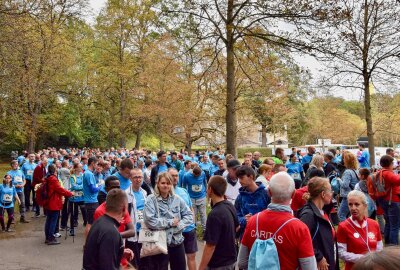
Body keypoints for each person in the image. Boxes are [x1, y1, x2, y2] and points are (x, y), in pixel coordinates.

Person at [237, 172, 317, 270]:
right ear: (293, 194)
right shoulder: (299, 228)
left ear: (269, 192)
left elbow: (241, 263)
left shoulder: (253, 220)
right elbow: (309, 267)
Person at [141, 172, 193, 270]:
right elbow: (149, 221)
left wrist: (178, 226)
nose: (166, 186)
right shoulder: (151, 199)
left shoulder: (177, 199)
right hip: (159, 244)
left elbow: (189, 215)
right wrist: (170, 222)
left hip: (177, 242)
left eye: (168, 183)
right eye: (163, 183)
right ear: (158, 184)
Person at [83, 189, 134, 270]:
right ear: (124, 209)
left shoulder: (100, 221)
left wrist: (119, 252)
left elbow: (99, 253)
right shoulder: (111, 232)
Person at [93, 176, 135, 269]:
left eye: (118, 187)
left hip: (119, 249)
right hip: (107, 253)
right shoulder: (99, 211)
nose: (116, 190)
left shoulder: (122, 208)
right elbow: (100, 238)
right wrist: (114, 236)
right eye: (113, 188)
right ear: (106, 189)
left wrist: (115, 237)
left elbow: (132, 231)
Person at [198, 175, 239, 270]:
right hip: (231, 259)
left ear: (210, 189)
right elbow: (237, 227)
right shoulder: (229, 205)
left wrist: (201, 267)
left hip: (218, 263)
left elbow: (210, 246)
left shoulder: (214, 214)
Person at [299, 177, 338, 270]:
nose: (332, 193)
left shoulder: (323, 211)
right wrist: (318, 256)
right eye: (330, 191)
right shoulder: (308, 214)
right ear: (323, 194)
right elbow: (300, 239)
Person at [337, 190, 383, 270]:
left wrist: (375, 259)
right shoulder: (343, 226)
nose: (353, 208)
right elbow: (341, 252)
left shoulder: (374, 224)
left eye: (357, 204)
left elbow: (379, 247)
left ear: (365, 206)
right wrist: (362, 258)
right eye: (350, 205)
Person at [170, 168, 198, 270]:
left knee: (191, 257)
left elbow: (191, 209)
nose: (175, 178)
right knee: (176, 260)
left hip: (189, 229)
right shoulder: (164, 193)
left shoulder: (183, 190)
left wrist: (193, 224)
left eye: (176, 175)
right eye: (172, 175)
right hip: (175, 232)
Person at [235, 165, 270, 239]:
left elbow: (273, 215)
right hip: (245, 237)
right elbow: (235, 217)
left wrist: (257, 219)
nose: (239, 181)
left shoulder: (266, 194)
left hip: (263, 238)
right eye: (238, 178)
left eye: (242, 178)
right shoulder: (240, 197)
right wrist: (244, 219)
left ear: (250, 177)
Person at [44, 164, 74, 245]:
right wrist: (70, 193)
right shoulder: (53, 179)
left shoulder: (47, 177)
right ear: (54, 170)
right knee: (53, 220)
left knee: (49, 220)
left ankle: (48, 237)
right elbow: (60, 189)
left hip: (49, 201)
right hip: (54, 202)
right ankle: (51, 238)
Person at [375, 155, 400, 245]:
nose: (394, 164)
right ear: (389, 163)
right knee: (395, 225)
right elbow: (397, 180)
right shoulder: (387, 173)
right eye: (392, 163)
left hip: (384, 200)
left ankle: (388, 242)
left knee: (389, 223)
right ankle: (393, 246)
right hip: (392, 201)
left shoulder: (380, 172)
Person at [126, 168, 148, 269]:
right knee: (134, 263)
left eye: (140, 177)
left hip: (144, 232)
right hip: (132, 233)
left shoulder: (144, 192)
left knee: (145, 261)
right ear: (130, 178)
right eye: (135, 177)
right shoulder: (125, 194)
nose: (138, 179)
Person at [181, 166, 207, 231]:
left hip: (201, 196)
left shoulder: (203, 173)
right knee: (193, 214)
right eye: (196, 176)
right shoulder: (186, 176)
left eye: (199, 175)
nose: (198, 176)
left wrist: (206, 191)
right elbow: (184, 186)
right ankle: (193, 228)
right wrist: (186, 196)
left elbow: (205, 182)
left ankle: (205, 229)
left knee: (203, 214)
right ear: (193, 173)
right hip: (191, 198)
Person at [338, 152, 360, 222]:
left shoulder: (347, 172)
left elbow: (345, 185)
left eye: (344, 159)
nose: (343, 161)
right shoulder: (356, 170)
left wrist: (339, 180)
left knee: (341, 214)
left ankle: (345, 230)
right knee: (351, 215)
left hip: (347, 196)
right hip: (354, 194)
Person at [82, 157, 100, 239]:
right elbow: (93, 189)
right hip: (91, 201)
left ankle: (87, 243)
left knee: (90, 222)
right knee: (90, 223)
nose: (97, 166)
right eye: (96, 164)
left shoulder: (87, 173)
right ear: (92, 163)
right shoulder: (89, 174)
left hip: (90, 200)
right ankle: (87, 243)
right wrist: (100, 186)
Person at [68, 163, 87, 235]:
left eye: (81, 167)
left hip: (82, 197)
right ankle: (72, 229)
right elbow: (74, 187)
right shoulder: (72, 177)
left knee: (84, 212)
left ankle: (86, 224)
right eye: (80, 167)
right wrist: (81, 187)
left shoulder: (82, 175)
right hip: (74, 198)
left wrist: (79, 186)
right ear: (75, 168)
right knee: (73, 214)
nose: (81, 168)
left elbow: (84, 185)